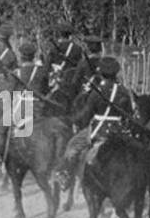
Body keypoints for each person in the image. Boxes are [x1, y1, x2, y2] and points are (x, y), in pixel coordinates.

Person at [57, 55, 134, 189]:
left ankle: (66, 177)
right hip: (118, 131)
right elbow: (129, 115)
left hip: (99, 130)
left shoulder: (97, 92)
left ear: (101, 73)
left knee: (72, 146)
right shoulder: (124, 91)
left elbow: (87, 114)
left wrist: (73, 120)